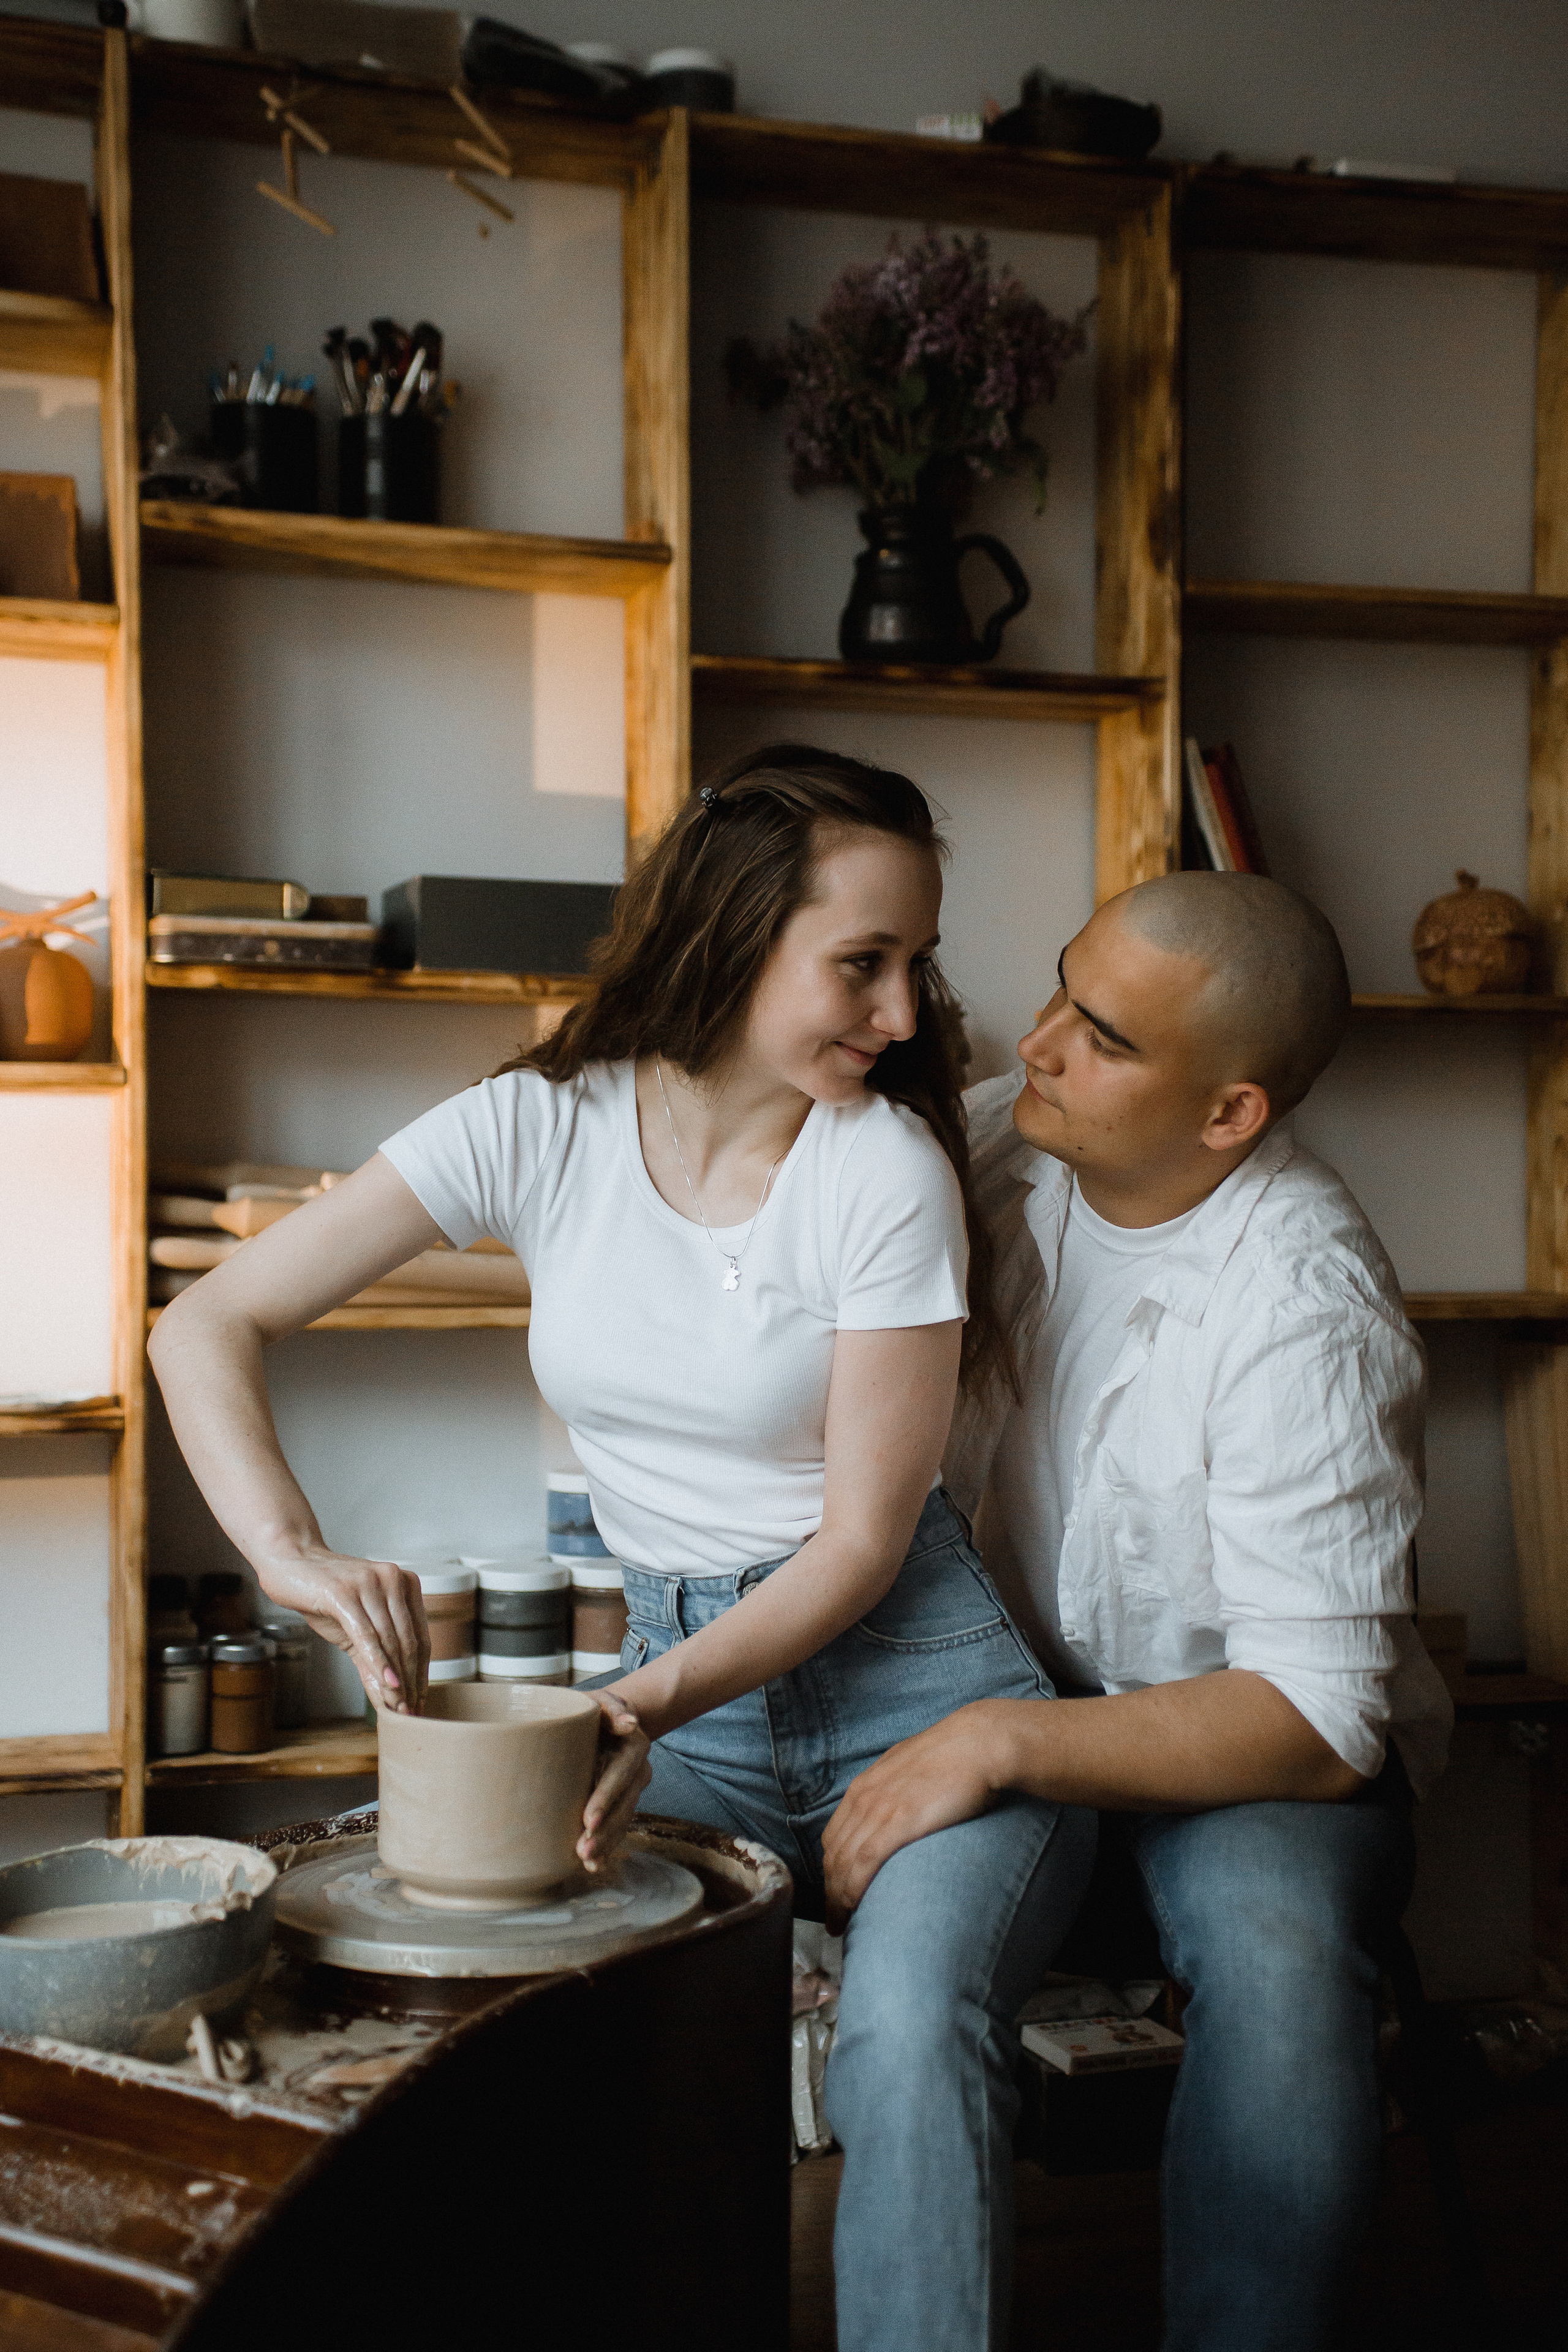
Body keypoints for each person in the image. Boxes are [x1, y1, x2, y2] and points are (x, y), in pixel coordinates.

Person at [148, 743, 1095, 2352]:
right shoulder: (540, 1124)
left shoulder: (885, 1171)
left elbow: (864, 1543)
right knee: (519, 2030)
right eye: (862, 963)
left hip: (917, 1686)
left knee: (905, 2030)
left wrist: (641, 1706)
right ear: (731, 934)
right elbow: (208, 1320)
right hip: (686, 1700)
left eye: (918, 964)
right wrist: (292, 1551)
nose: (908, 1012)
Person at [822, 869, 1454, 2352]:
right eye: (1058, 990)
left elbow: (1315, 1720)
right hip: (999, 1702)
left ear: (1227, 1114)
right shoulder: (993, 1143)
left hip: (1244, 1750)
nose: (1036, 1043)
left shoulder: (1306, 1306)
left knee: (1278, 1957)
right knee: (900, 1985)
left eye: (1100, 1036)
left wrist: (994, 1745)